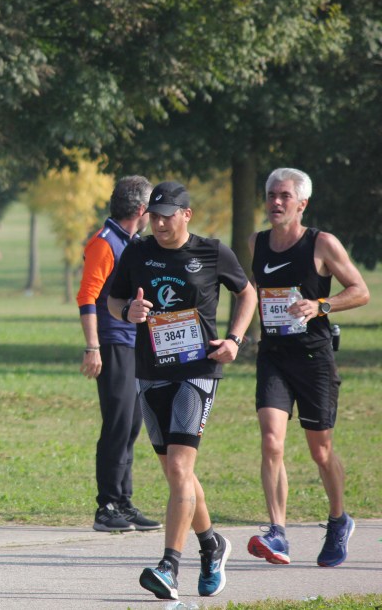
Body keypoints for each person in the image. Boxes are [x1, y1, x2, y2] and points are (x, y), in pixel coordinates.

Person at [108, 181, 256, 601]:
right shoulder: (137, 252)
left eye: (167, 216)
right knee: (179, 474)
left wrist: (235, 340)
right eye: (153, 216)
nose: (159, 224)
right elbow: (113, 300)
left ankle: (169, 567)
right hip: (151, 371)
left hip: (198, 369)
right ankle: (212, 545)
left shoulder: (212, 252)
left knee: (178, 468)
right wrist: (129, 311)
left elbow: (247, 293)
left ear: (186, 215)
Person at [246, 167, 369, 568]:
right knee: (271, 440)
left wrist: (320, 306)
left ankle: (338, 519)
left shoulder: (321, 244)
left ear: (302, 203)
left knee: (321, 450)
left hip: (314, 357)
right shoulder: (256, 243)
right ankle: (277, 532)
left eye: (284, 196)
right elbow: (253, 293)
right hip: (273, 355)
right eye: (271, 195)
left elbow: (360, 291)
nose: (276, 202)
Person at [76, 175, 161, 533]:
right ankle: (106, 506)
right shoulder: (104, 242)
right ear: (141, 209)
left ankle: (124, 502)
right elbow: (87, 296)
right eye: (152, 208)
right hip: (112, 342)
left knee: (132, 423)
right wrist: (93, 346)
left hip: (135, 342)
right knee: (117, 422)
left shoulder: (134, 243)